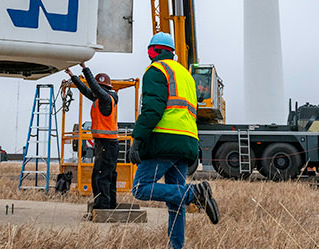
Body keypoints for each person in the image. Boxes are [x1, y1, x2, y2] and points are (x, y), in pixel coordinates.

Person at [130, 32, 219, 249]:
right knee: (175, 201)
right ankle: (175, 246)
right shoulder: (186, 75)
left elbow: (152, 108)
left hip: (164, 140)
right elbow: (191, 112)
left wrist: (138, 139)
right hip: (186, 142)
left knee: (141, 188)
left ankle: (194, 193)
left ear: (154, 51)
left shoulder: (156, 71)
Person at [65, 62, 119, 210]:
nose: (94, 92)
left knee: (100, 176)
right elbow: (86, 90)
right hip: (106, 144)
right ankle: (110, 205)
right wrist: (73, 76)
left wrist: (85, 68)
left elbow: (93, 88)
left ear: (104, 89)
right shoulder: (100, 99)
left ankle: (102, 208)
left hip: (107, 145)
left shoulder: (106, 100)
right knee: (108, 175)